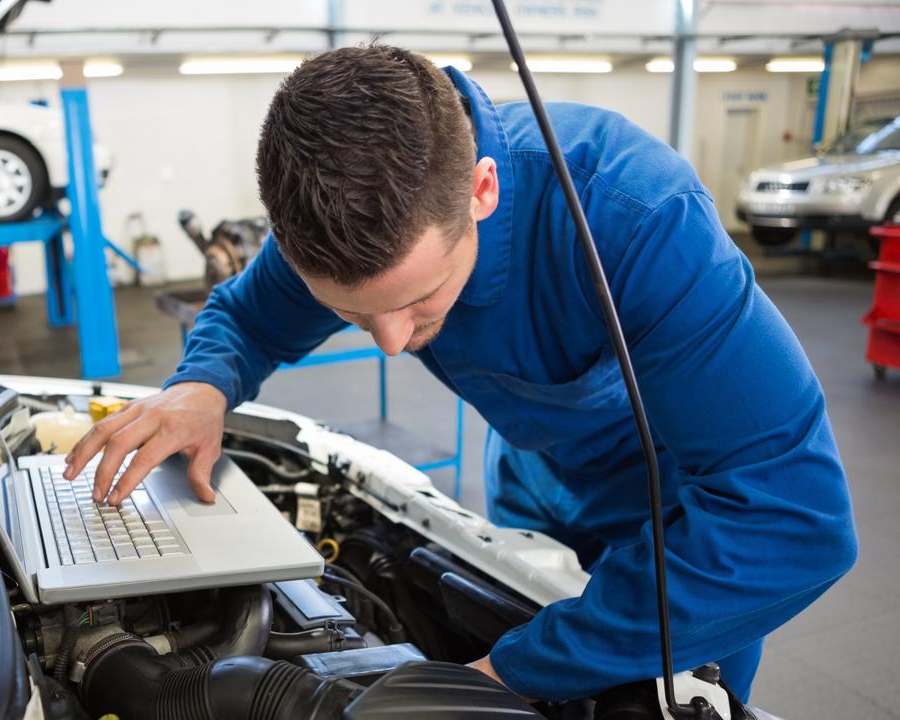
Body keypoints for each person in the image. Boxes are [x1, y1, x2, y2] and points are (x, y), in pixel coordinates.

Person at [63, 45, 857, 703]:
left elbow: (790, 519)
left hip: (687, 519)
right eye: (353, 313)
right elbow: (246, 316)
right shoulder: (341, 218)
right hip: (530, 480)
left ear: (482, 189)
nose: (392, 343)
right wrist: (202, 387)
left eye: (418, 300)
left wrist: (505, 673)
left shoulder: (635, 216)